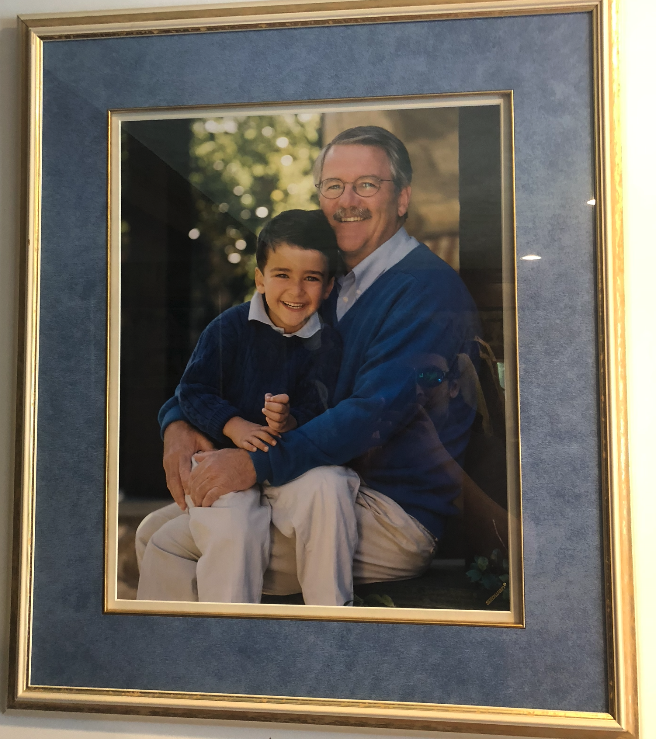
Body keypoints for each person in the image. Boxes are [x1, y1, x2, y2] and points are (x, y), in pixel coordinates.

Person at [136, 125, 480, 604]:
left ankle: (228, 651)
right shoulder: (327, 282)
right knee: (153, 529)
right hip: (312, 479)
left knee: (169, 546)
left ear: (402, 198)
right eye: (333, 185)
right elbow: (246, 355)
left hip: (390, 511)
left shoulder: (425, 290)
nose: (347, 201)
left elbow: (371, 412)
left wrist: (256, 462)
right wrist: (178, 421)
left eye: (367, 184)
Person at [137, 209, 345, 604]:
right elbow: (192, 391)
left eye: (311, 278)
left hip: (283, 467)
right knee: (235, 529)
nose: (296, 291)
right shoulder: (230, 327)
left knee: (328, 488)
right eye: (282, 275)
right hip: (222, 460)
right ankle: (229, 621)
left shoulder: (328, 345)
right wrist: (233, 425)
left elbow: (321, 408)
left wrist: (290, 420)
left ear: (329, 286)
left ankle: (328, 612)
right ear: (260, 278)